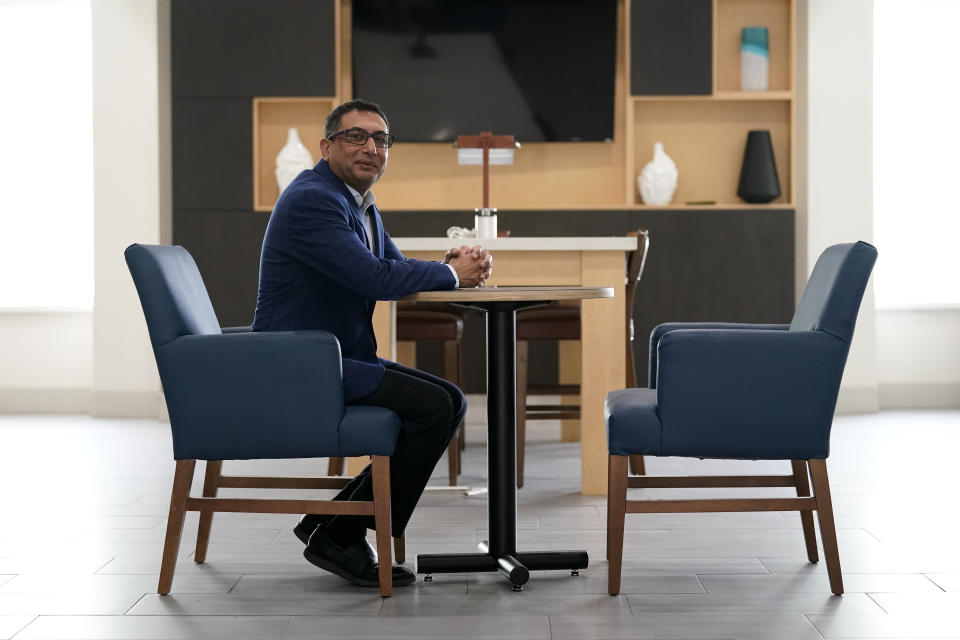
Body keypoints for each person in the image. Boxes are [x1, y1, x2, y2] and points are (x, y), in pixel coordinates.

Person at [252, 99, 492, 588]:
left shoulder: (356, 202)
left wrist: (448, 264)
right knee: (432, 408)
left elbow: (394, 269)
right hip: (303, 363)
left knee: (449, 401)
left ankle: (332, 526)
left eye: (381, 140)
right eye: (356, 136)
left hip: (335, 357)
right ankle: (339, 533)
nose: (371, 148)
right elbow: (374, 277)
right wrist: (451, 273)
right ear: (326, 146)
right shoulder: (314, 199)